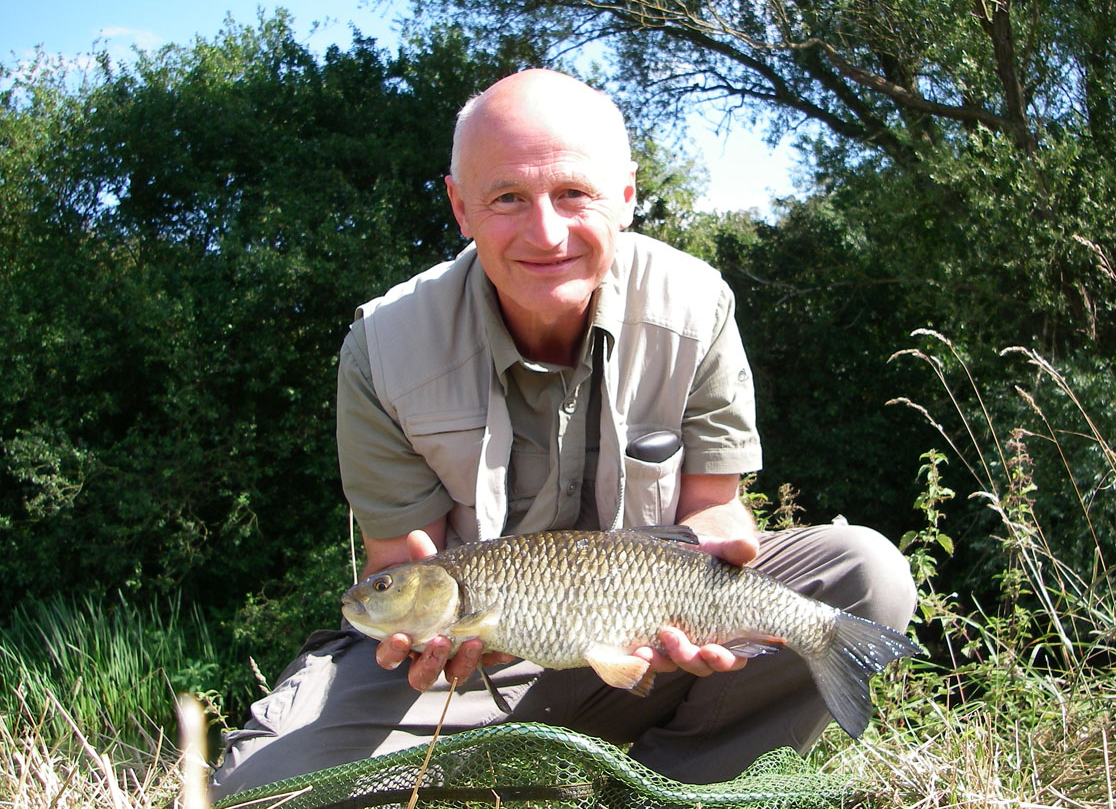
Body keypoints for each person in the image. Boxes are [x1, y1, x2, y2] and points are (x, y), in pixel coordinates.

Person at [210, 69, 917, 797]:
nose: (546, 233)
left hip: (656, 629)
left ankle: (668, 791)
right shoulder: (384, 347)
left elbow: (715, 507)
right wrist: (425, 640)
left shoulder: (697, 306)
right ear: (460, 206)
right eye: (507, 197)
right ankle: (495, 762)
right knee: (253, 795)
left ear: (627, 195)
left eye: (574, 193)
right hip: (474, 666)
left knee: (865, 572)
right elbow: (399, 560)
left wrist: (709, 566)